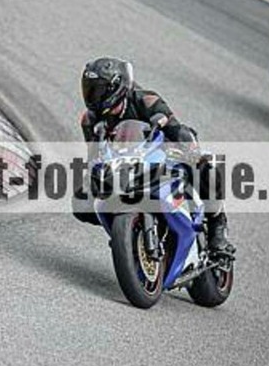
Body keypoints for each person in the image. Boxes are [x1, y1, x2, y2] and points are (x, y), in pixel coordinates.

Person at [73, 57, 235, 259]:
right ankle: (126, 231)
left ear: (115, 87)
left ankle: (217, 224)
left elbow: (176, 129)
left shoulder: (145, 100)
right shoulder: (89, 120)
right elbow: (94, 156)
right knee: (81, 204)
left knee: (205, 165)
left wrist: (191, 151)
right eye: (89, 90)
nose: (92, 96)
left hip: (161, 154)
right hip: (122, 165)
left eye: (98, 90)